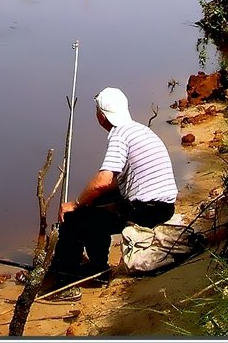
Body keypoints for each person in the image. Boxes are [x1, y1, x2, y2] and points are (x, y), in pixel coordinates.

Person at [45, 87, 178, 300]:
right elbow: (116, 181)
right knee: (95, 206)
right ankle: (96, 267)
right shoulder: (140, 130)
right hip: (164, 206)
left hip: (145, 210)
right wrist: (92, 200)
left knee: (75, 218)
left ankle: (64, 282)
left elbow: (103, 181)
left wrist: (76, 203)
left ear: (102, 116)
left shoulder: (119, 135)